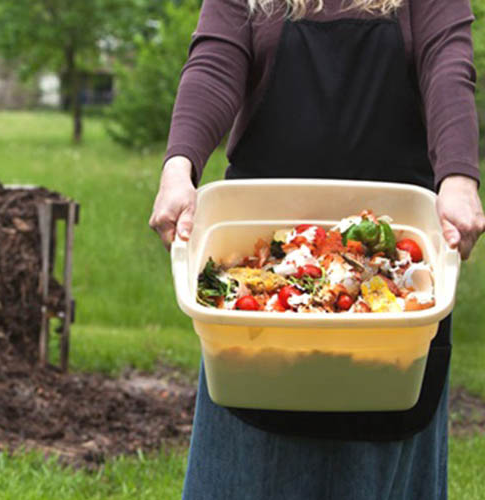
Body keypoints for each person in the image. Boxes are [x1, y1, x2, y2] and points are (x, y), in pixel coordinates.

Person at [148, 0, 485, 498]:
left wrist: (458, 178)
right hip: (266, 269)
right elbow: (214, 65)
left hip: (396, 266)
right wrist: (178, 169)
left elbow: (447, 65)